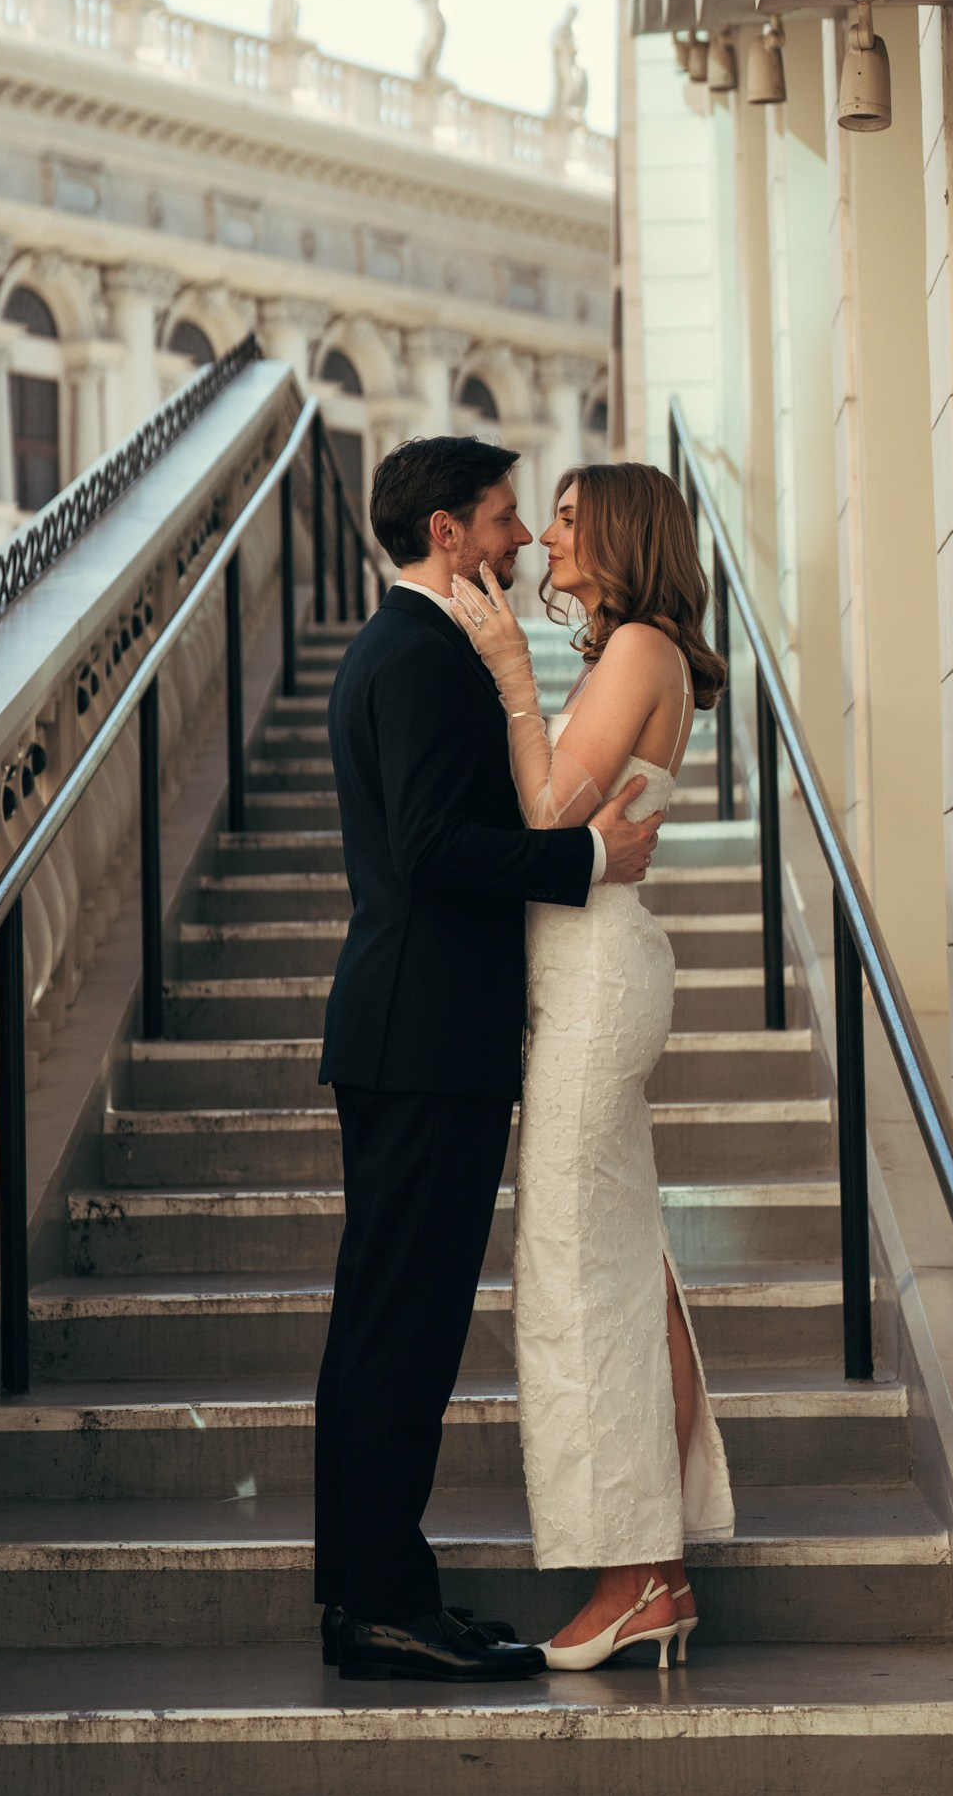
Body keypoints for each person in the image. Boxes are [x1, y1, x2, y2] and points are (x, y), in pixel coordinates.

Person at [313, 435, 662, 1684]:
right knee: (399, 1332)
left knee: (385, 1327)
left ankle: (369, 1595)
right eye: (507, 519)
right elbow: (428, 849)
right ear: (447, 533)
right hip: (422, 1038)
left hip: (420, 1033)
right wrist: (582, 863)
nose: (522, 540)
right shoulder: (416, 656)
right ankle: (383, 1607)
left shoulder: (419, 647)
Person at [448, 460, 736, 1669]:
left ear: (618, 532)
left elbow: (548, 817)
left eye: (565, 518)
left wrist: (513, 682)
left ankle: (629, 1575)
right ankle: (655, 1572)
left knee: (576, 1274)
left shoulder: (636, 655)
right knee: (623, 1264)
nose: (546, 538)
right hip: (587, 971)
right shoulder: (639, 653)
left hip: (599, 974)